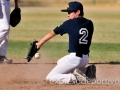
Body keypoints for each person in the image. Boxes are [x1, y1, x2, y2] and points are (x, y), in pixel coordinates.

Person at [36, 1, 96, 84]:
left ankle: (76, 77)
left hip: (75, 59)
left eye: (70, 12)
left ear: (78, 12)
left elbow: (52, 33)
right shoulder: (89, 23)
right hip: (85, 59)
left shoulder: (69, 23)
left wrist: (39, 44)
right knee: (60, 62)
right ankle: (86, 71)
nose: (68, 15)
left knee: (50, 78)